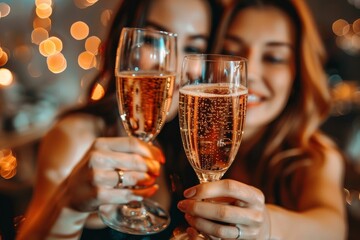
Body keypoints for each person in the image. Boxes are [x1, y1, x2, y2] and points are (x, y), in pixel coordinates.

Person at [15, 0, 222, 239]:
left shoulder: (185, 146)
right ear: (122, 47)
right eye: (153, 42)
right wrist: (69, 206)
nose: (173, 65)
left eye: (193, 49)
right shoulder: (75, 137)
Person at [174, 0, 347, 239]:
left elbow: (332, 228)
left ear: (297, 74)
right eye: (232, 52)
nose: (250, 73)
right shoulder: (182, 138)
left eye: (274, 57)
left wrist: (266, 226)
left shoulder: (315, 157)